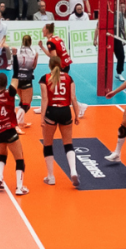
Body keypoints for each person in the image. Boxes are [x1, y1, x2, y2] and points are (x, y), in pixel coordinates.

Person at [39, 54, 80, 189]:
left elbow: (45, 99)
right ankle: (73, 171)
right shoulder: (69, 78)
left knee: (48, 144)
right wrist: (77, 114)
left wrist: (42, 116)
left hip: (51, 111)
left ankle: (51, 177)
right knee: (68, 144)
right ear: (62, 65)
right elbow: (73, 97)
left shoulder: (45, 78)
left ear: (49, 65)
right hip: (65, 112)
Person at [0, 75, 28, 196]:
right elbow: (15, 77)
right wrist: (15, 57)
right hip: (9, 131)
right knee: (19, 159)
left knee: (2, 154)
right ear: (6, 84)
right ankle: (19, 188)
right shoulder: (10, 94)